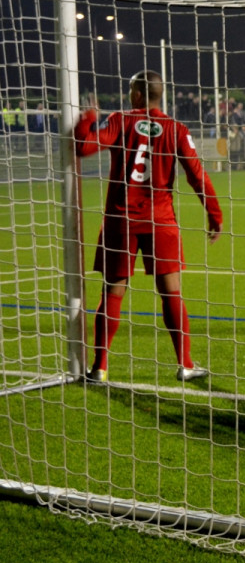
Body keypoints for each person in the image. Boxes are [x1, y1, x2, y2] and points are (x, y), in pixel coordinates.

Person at [74, 70, 223, 383]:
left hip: (120, 221)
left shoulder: (118, 120)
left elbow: (83, 146)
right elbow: (197, 174)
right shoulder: (176, 129)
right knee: (171, 292)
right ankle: (185, 364)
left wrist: (88, 117)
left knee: (113, 292)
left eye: (131, 90)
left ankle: (99, 367)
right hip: (161, 222)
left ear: (137, 94)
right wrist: (214, 213)